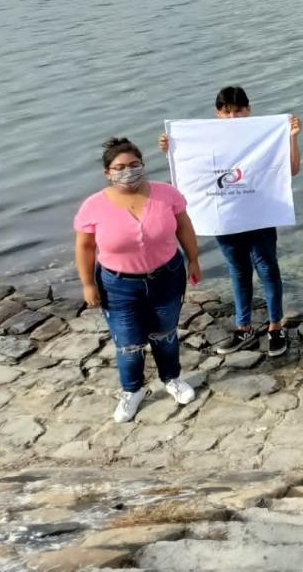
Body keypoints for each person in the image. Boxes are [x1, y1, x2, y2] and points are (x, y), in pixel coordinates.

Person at [160, 85, 301, 357]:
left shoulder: (263, 136)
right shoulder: (207, 140)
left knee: (268, 269)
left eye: (238, 111)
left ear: (248, 110)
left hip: (260, 216)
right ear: (217, 113)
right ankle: (243, 327)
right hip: (224, 217)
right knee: (238, 271)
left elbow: (291, 170)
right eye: (226, 112)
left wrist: (292, 137)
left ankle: (275, 326)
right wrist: (171, 150)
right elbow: (192, 171)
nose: (233, 117)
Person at [73, 138, 201, 423]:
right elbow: (84, 247)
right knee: (128, 343)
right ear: (108, 173)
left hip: (167, 276)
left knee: (165, 334)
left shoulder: (166, 194)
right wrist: (88, 284)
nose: (127, 171)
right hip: (119, 285)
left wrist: (193, 259)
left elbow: (184, 227)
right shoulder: (93, 206)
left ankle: (172, 379)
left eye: (133, 165)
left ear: (142, 165)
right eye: (119, 167)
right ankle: (132, 390)